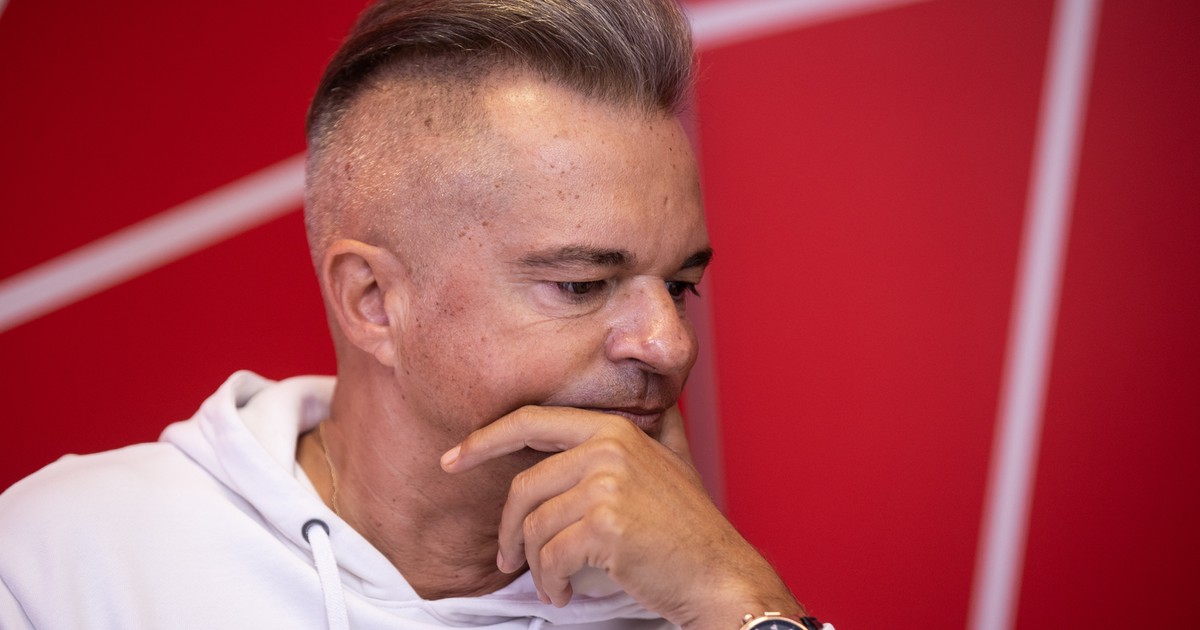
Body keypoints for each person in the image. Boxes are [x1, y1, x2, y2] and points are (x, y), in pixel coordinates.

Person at [0, 1, 831, 628]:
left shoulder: (694, 601)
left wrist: (739, 600)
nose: (668, 343)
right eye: (581, 284)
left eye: (681, 285)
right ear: (372, 301)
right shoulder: (61, 563)